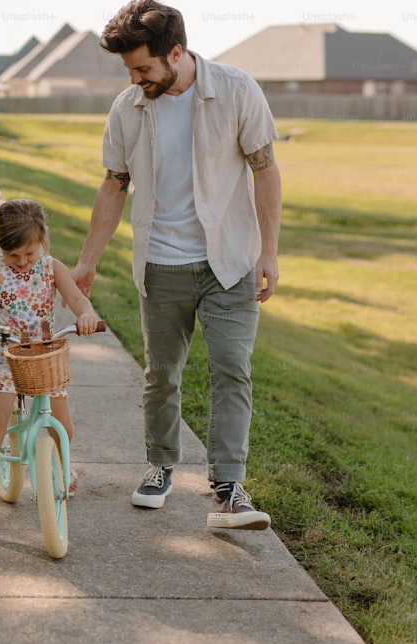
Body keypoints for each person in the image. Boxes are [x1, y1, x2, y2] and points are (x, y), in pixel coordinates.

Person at [71, 0, 282, 530]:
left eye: (143, 68)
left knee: (232, 369)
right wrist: (86, 262)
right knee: (161, 375)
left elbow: (265, 169)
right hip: (160, 265)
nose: (136, 78)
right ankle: (160, 465)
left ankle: (228, 487)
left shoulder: (236, 90)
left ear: (176, 52)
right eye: (130, 70)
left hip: (227, 262)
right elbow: (114, 183)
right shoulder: (128, 107)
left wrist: (269, 251)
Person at [0, 199, 101, 533]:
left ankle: (62, 469)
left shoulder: (52, 268)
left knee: (64, 430)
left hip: (43, 358)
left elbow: (77, 299)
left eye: (28, 253)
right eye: (12, 255)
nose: (20, 262)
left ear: (42, 241)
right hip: (4, 356)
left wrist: (86, 314)